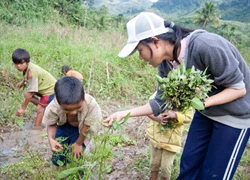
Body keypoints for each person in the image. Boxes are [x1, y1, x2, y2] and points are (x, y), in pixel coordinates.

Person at [102, 12, 250, 180]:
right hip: (207, 112)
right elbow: (159, 103)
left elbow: (238, 88)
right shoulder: (166, 64)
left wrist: (199, 102)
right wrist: (124, 114)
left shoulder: (207, 46)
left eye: (140, 50)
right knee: (188, 167)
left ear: (155, 41)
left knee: (213, 175)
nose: (140, 57)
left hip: (235, 115)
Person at [43, 76, 102, 167]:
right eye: (67, 110)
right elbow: (51, 124)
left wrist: (78, 143)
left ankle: (76, 171)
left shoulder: (90, 104)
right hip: (63, 126)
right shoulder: (53, 106)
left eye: (78, 108)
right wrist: (51, 139)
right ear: (59, 103)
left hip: (82, 130)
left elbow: (87, 125)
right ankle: (59, 172)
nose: (73, 112)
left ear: (83, 98)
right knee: (59, 153)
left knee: (77, 155)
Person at [146, 92, 194, 180]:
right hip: (156, 137)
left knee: (165, 167)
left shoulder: (185, 100)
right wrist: (158, 118)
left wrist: (176, 115)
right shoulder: (158, 94)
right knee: (154, 164)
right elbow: (147, 110)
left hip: (171, 141)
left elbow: (188, 117)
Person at [12, 48, 56, 127]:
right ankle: (46, 107)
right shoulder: (28, 67)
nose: (18, 66)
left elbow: (30, 94)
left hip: (50, 90)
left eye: (21, 63)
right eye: (16, 63)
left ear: (27, 62)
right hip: (43, 87)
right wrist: (22, 82)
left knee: (39, 109)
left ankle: (36, 130)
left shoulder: (31, 73)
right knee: (26, 94)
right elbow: (28, 89)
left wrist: (22, 108)